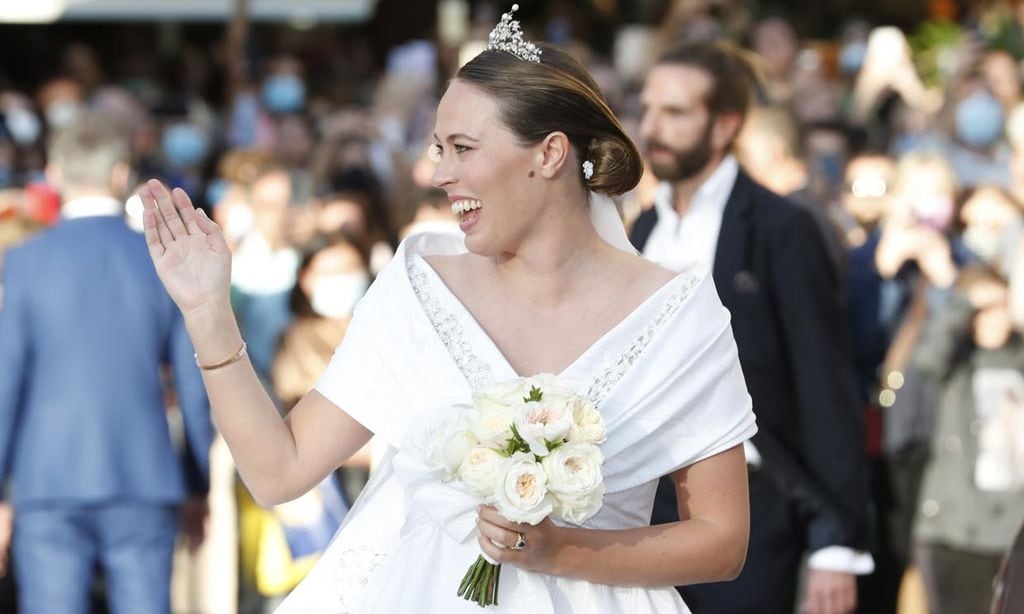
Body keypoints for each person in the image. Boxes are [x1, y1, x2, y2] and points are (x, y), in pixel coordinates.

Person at [137, 7, 757, 612]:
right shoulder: (418, 286)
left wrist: (563, 551)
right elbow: (278, 472)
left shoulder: (678, 314)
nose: (440, 174)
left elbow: (722, 542)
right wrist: (206, 310)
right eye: (439, 148)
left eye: (462, 148)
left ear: (549, 154)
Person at [630, 41, 871, 614]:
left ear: (724, 125)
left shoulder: (782, 228)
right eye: (648, 108)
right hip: (640, 507)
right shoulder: (641, 231)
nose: (652, 127)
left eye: (676, 112)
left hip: (750, 504)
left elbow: (824, 381)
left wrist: (836, 542)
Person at [0, 113, 213, 614]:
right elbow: (192, 377)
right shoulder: (156, 259)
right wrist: (198, 482)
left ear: (53, 174)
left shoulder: (26, 262)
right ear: (122, 175)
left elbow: (7, 379)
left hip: (46, 476)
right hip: (145, 472)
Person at [910, 266, 1024, 614]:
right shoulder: (957, 362)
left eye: (998, 308)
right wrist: (964, 303)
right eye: (981, 312)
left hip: (1012, 526)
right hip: (955, 530)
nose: (990, 319)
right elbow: (927, 358)